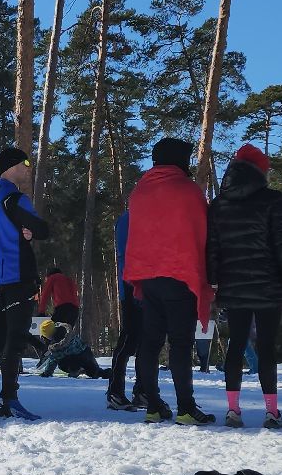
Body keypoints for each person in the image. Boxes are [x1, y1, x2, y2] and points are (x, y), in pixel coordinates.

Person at [206, 144, 282, 429]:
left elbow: (212, 247)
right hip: (269, 284)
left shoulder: (219, 203)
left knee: (235, 345)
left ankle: (233, 410)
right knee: (267, 347)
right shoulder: (273, 200)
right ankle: (272, 412)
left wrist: (214, 279)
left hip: (233, 285)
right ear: (260, 171)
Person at [123, 137, 215, 425]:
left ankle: (153, 405)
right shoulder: (187, 190)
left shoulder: (140, 192)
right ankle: (186, 408)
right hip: (180, 276)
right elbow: (204, 233)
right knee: (180, 343)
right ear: (180, 159)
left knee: (149, 343)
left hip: (148, 277)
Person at [0, 147, 52, 419]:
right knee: (15, 339)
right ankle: (9, 398)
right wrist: (32, 232)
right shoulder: (14, 198)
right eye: (26, 162)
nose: (28, 168)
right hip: (18, 277)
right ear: (12, 166)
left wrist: (26, 233)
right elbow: (44, 229)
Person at [105, 210, 144, 410]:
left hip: (145, 284)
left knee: (145, 340)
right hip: (131, 284)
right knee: (129, 339)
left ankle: (142, 390)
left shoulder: (142, 215)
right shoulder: (129, 218)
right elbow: (126, 253)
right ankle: (115, 392)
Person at [36, 319, 104, 378]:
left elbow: (52, 361)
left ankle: (76, 369)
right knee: (96, 372)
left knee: (61, 363)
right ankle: (109, 373)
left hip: (74, 362)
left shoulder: (55, 347)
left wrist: (46, 373)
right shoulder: (68, 332)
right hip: (87, 354)